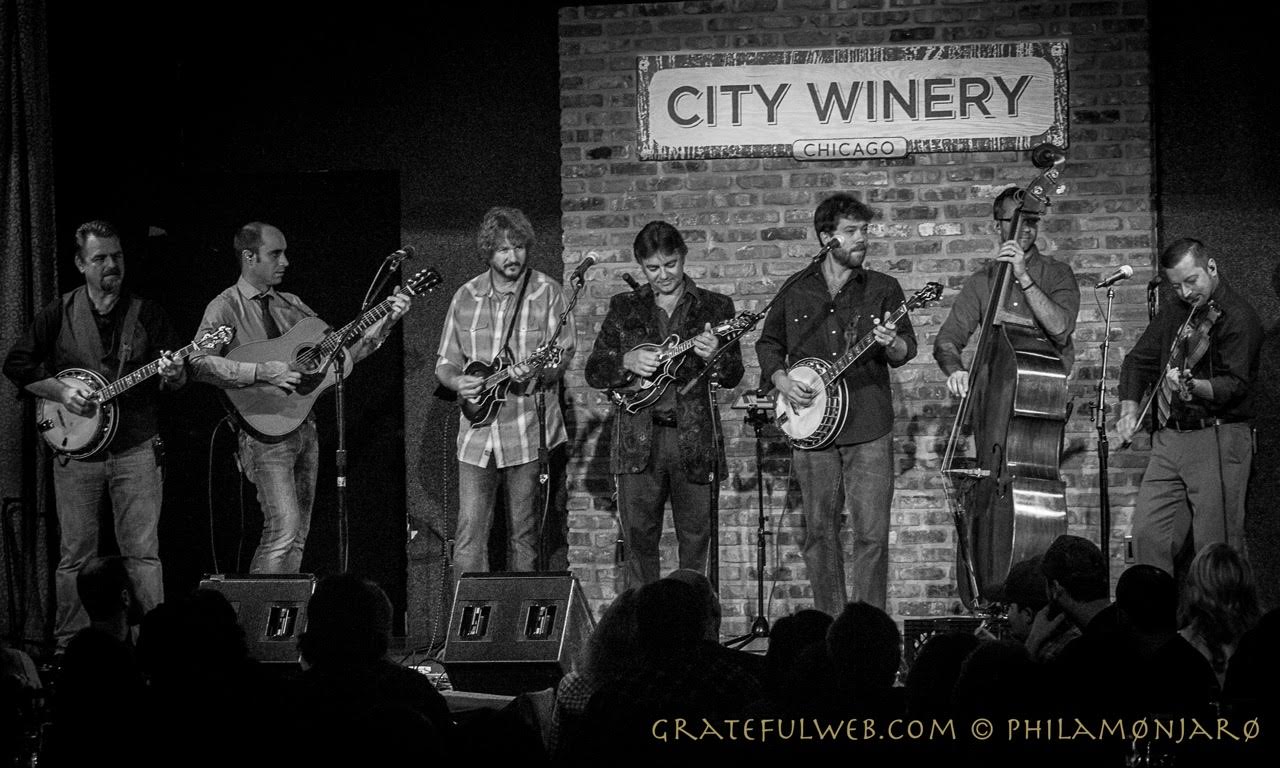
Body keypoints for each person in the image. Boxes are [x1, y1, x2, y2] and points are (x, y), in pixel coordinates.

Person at [3, 220, 186, 647]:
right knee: (75, 558)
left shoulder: (147, 313)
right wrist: (62, 392)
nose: (111, 265)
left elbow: (176, 382)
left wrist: (175, 373)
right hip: (77, 456)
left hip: (136, 450)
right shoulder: (59, 312)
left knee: (142, 556)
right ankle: (69, 646)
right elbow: (18, 366)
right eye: (100, 258)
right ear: (80, 263)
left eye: (116, 257)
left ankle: (149, 646)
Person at [190, 222, 410, 573]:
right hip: (262, 432)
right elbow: (199, 363)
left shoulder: (291, 305)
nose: (286, 261)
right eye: (275, 254)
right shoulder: (225, 307)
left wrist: (383, 323)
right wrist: (263, 372)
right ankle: (258, 623)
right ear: (249, 257)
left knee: (298, 535)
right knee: (283, 530)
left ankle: (285, 623)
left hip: (303, 424)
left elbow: (341, 358)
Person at [755, 193, 917, 613]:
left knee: (871, 536)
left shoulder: (883, 288)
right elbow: (769, 342)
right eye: (851, 232)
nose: (862, 239)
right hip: (811, 430)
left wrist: (891, 342)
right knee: (819, 534)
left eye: (865, 230)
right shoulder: (796, 288)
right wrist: (781, 381)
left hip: (868, 426)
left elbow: (905, 350)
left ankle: (869, 637)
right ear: (827, 239)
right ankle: (830, 632)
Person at [584, 221, 743, 588]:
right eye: (652, 269)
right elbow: (595, 370)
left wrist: (715, 355)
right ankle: (643, 636)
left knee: (697, 542)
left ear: (683, 257)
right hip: (638, 439)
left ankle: (696, 634)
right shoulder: (625, 307)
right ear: (641, 266)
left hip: (695, 440)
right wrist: (626, 361)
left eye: (670, 265)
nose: (663, 275)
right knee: (638, 542)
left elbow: (734, 374)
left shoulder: (715, 307)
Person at [435, 207, 575, 580]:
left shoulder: (547, 293)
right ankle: (465, 628)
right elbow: (445, 363)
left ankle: (520, 628)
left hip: (527, 432)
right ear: (488, 252)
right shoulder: (465, 296)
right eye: (502, 250)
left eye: (518, 247)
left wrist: (538, 368)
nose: (512, 257)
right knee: (469, 536)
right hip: (476, 436)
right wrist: (457, 382)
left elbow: (560, 356)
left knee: (525, 536)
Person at [1116, 238, 1262, 578]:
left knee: (1217, 550)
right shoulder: (1176, 311)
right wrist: (1128, 410)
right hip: (1171, 439)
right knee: (1148, 537)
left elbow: (1236, 385)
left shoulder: (1240, 317)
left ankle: (1228, 627)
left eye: (1191, 280)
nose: (1184, 292)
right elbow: (1138, 361)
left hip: (1218, 436)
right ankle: (1153, 625)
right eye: (1176, 285)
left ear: (1211, 268)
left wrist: (1194, 386)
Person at [933, 185, 1081, 396]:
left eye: (1031, 221)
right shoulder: (982, 280)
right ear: (998, 226)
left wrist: (1023, 276)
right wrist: (956, 371)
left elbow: (1061, 330)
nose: (1025, 228)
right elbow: (947, 338)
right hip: (993, 394)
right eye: (1015, 221)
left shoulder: (1058, 273)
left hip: (1045, 395)